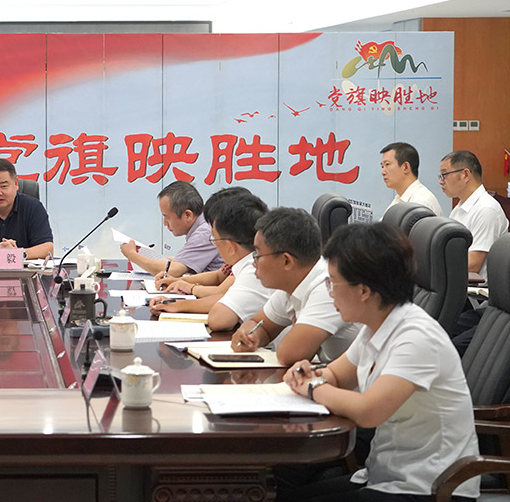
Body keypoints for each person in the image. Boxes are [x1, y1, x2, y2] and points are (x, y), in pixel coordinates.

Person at [278, 223, 479, 502]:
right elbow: (336, 375)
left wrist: (313, 387)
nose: (329, 292)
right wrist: (308, 373)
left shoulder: (416, 337)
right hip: (385, 476)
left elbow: (368, 412)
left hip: (430, 489)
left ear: (363, 291)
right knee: (282, 491)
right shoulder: (376, 325)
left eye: (332, 282)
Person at [231, 207, 359, 365]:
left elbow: (289, 354)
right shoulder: (291, 283)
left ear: (286, 261)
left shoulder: (329, 286)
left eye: (257, 255)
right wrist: (250, 335)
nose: (253, 262)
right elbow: (261, 325)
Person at [154, 191, 273, 332]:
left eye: (214, 238)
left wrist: (181, 303)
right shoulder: (251, 260)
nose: (214, 244)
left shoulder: (254, 270)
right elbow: (224, 295)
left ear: (231, 246)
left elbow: (219, 319)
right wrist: (176, 303)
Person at [121, 181, 223, 279]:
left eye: (167, 217)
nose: (165, 223)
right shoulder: (203, 224)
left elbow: (172, 270)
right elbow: (182, 260)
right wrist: (147, 255)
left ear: (188, 215)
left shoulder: (205, 232)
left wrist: (132, 255)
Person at [439, 149, 508, 281]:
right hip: (458, 283)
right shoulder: (459, 208)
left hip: (477, 290)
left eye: (444, 175)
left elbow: (473, 265)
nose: (441, 181)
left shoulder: (486, 209)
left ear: (465, 175)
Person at [379, 142, 442, 216]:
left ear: (406, 167)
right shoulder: (399, 199)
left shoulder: (422, 202)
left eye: (387, 164)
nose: (382, 172)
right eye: (382, 167)